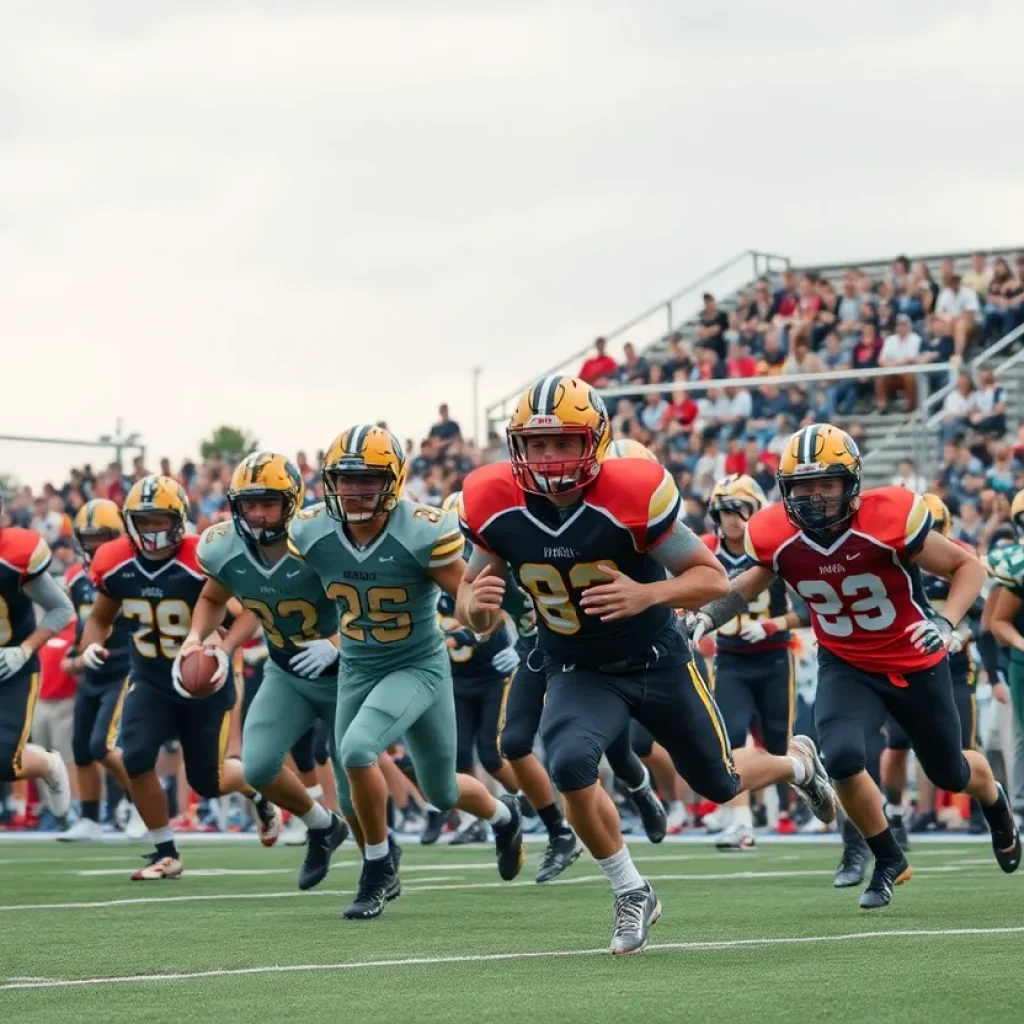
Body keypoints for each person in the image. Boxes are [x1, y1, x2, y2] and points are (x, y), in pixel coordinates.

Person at [457, 376, 836, 955]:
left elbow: (710, 579)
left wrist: (646, 594)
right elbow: (469, 597)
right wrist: (477, 612)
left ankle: (796, 765)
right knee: (568, 763)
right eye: (536, 445)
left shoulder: (631, 491)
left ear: (596, 441)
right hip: (577, 665)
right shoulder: (494, 501)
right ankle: (631, 890)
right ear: (517, 447)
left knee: (719, 782)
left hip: (657, 657)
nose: (548, 458)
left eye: (563, 442)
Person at [690, 424, 1021, 909]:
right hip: (846, 662)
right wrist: (705, 617)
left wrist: (948, 622)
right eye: (803, 486)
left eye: (827, 484)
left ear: (852, 484)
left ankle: (993, 798)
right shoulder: (778, 534)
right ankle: (887, 857)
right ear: (786, 490)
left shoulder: (887, 519)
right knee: (843, 757)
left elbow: (967, 566)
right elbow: (743, 588)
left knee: (950, 771)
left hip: (914, 659)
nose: (815, 497)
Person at [287, 426, 525, 920]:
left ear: (392, 481)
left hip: (417, 664)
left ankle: (380, 867)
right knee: (402, 792)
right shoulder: (310, 530)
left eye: (368, 479)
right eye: (344, 479)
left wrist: (481, 612)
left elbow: (466, 602)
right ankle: (502, 816)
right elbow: (302, 593)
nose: (353, 490)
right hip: (356, 665)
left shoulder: (421, 528)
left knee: (363, 753)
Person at [79, 475, 280, 880]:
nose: (153, 530)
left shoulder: (200, 558)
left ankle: (256, 791)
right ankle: (166, 851)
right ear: (129, 521)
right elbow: (100, 618)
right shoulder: (114, 562)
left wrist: (223, 649)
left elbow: (248, 614)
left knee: (207, 780)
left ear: (179, 519)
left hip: (199, 681)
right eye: (144, 521)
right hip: (150, 678)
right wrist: (90, 645)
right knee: (134, 758)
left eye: (160, 520)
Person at [181, 453, 348, 890]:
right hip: (286, 668)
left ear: (290, 502)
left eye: (268, 503)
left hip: (345, 671)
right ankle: (320, 824)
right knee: (256, 767)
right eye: (249, 503)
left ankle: (380, 858)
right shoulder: (227, 546)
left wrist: (336, 644)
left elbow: (364, 596)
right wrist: (198, 638)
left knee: (356, 766)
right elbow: (212, 598)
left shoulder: (318, 539)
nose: (257, 513)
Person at [699, 475, 802, 850]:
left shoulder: (773, 549)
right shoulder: (705, 551)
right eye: (723, 510)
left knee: (779, 743)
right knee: (731, 738)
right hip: (730, 659)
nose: (731, 518)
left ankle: (791, 809)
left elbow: (807, 610)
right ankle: (741, 822)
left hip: (773, 656)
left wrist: (772, 624)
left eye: (737, 509)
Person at [881, 494, 987, 847]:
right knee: (896, 743)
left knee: (961, 743)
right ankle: (895, 814)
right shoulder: (892, 560)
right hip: (905, 668)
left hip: (953, 667)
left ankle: (980, 806)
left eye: (935, 530)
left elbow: (983, 617)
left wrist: (960, 636)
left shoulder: (957, 562)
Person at [59, 500, 135, 841]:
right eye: (88, 539)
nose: (94, 546)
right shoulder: (76, 577)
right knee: (81, 748)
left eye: (102, 538)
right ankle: (90, 817)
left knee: (103, 745)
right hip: (93, 666)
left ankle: (141, 803)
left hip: (124, 663)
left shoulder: (130, 569)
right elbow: (82, 626)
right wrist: (77, 656)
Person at [0, 497, 75, 817]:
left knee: (5, 760)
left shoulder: (13, 558)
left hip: (12, 664)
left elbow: (61, 608)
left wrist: (26, 649)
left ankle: (47, 763)